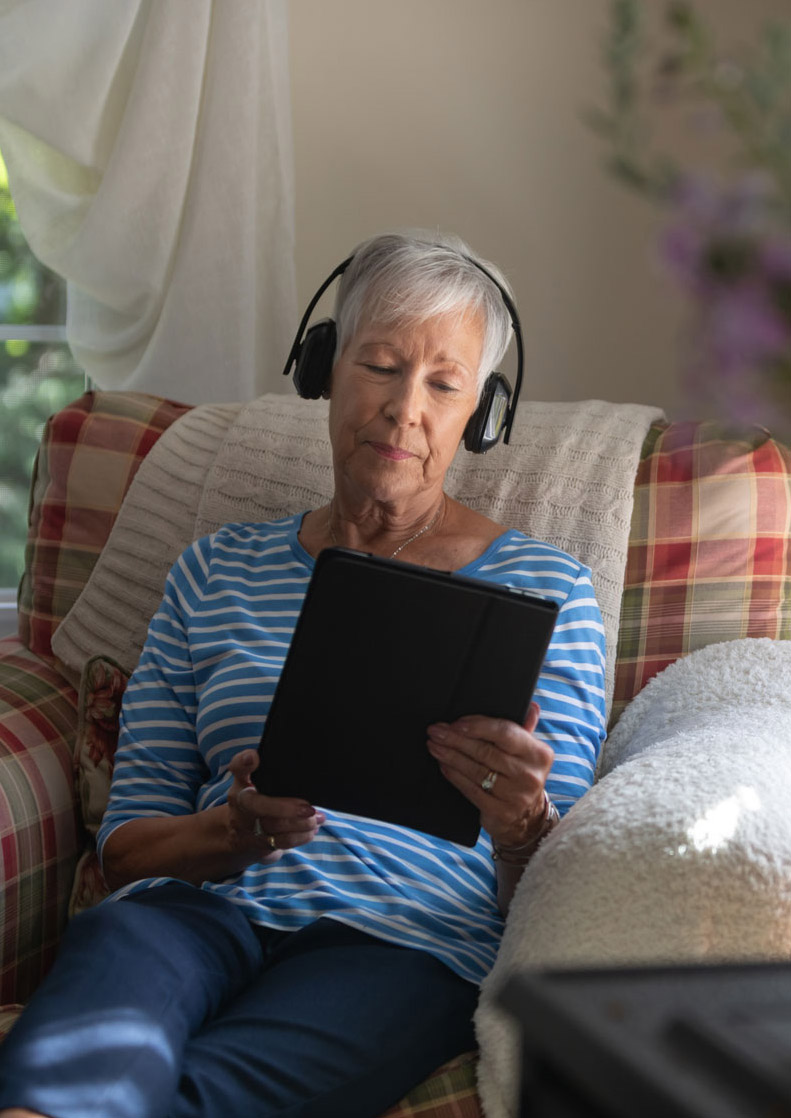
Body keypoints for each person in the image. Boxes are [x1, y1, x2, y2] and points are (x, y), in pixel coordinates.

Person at [0, 231, 606, 1118]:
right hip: (189, 913)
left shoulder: (547, 593)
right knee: (65, 1089)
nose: (405, 409)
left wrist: (521, 822)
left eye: (443, 384)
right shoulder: (214, 571)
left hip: (405, 943)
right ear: (323, 367)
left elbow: (560, 886)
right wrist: (230, 834)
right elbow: (127, 846)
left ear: (481, 412)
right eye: (381, 365)